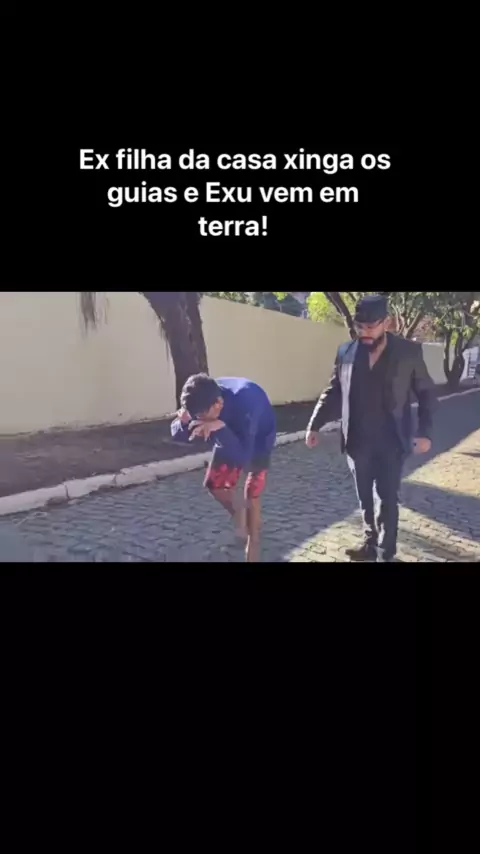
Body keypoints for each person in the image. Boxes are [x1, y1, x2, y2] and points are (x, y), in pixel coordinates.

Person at [305, 294, 437, 562]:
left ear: (386, 323)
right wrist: (314, 424)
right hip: (357, 440)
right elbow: (333, 390)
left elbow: (427, 394)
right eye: (359, 327)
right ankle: (369, 543)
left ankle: (386, 553)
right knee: (364, 496)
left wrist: (424, 432)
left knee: (387, 498)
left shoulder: (408, 353)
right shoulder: (346, 352)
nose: (364, 333)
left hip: (392, 441)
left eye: (370, 327)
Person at [171, 374, 276, 562]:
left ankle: (254, 541)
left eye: (203, 417)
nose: (200, 420)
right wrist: (183, 422)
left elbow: (244, 457)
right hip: (226, 434)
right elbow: (177, 433)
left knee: (252, 491)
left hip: (258, 437)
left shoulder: (247, 400)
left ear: (218, 404)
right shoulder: (198, 399)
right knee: (215, 484)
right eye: (197, 417)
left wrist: (219, 427)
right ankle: (243, 518)